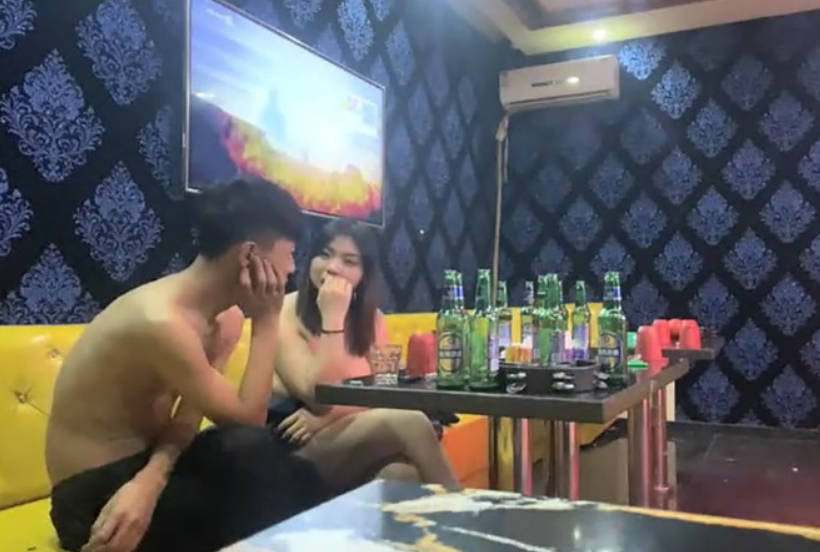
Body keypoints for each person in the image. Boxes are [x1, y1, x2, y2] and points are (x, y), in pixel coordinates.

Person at [45, 178, 346, 552]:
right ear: (249, 256)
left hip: (149, 462)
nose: (290, 270)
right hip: (92, 495)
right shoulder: (160, 322)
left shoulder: (224, 319)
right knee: (255, 476)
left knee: (282, 466)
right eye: (289, 254)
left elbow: (192, 416)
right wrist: (267, 320)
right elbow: (250, 417)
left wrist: (152, 478)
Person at [270, 219, 458, 491]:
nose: (332, 267)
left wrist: (329, 418)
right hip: (295, 450)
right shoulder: (284, 312)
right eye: (324, 254)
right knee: (412, 422)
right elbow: (318, 398)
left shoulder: (372, 319)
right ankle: (467, 511)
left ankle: (446, 513)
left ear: (364, 274)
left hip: (345, 436)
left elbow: (385, 392)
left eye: (349, 261)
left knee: (401, 474)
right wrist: (332, 317)